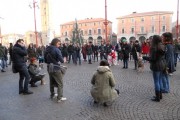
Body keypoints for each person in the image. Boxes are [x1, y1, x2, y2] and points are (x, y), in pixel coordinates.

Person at [143, 35, 166, 102]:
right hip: (162, 64)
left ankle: (157, 97)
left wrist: (144, 57)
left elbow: (152, 59)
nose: (151, 40)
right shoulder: (162, 46)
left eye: (152, 39)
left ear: (154, 40)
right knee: (160, 80)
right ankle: (160, 95)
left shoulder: (154, 47)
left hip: (156, 65)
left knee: (156, 81)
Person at [44, 38, 66, 103]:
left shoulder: (47, 49)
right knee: (60, 83)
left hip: (49, 68)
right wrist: (64, 59)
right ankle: (60, 97)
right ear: (56, 43)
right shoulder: (56, 50)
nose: (59, 45)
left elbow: (45, 60)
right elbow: (61, 60)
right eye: (59, 44)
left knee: (51, 82)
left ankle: (52, 94)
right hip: (56, 68)